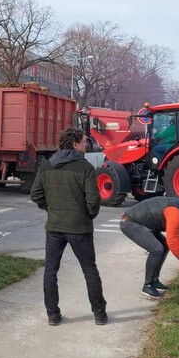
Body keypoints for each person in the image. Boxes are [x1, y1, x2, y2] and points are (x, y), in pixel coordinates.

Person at [30, 128, 107, 326]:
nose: (86, 144)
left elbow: (36, 194)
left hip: (54, 227)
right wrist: (88, 215)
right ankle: (99, 315)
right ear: (74, 144)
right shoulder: (85, 167)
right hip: (79, 227)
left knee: (51, 271)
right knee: (90, 270)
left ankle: (53, 315)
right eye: (83, 141)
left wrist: (51, 209)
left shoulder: (47, 166)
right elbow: (93, 199)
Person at [120, 196, 179, 299]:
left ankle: (155, 281)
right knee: (156, 249)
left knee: (164, 246)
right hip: (130, 223)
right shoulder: (175, 211)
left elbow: (177, 235)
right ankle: (148, 286)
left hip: (142, 224)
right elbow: (172, 241)